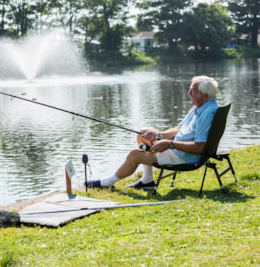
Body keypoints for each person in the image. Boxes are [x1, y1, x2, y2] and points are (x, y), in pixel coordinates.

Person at [85, 75, 220, 190]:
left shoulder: (207, 112)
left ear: (204, 96)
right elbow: (178, 129)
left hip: (185, 156)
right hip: (179, 148)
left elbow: (200, 147)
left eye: (192, 91)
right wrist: (159, 136)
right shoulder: (202, 106)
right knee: (142, 133)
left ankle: (107, 183)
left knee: (134, 155)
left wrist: (170, 144)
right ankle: (147, 180)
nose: (189, 93)